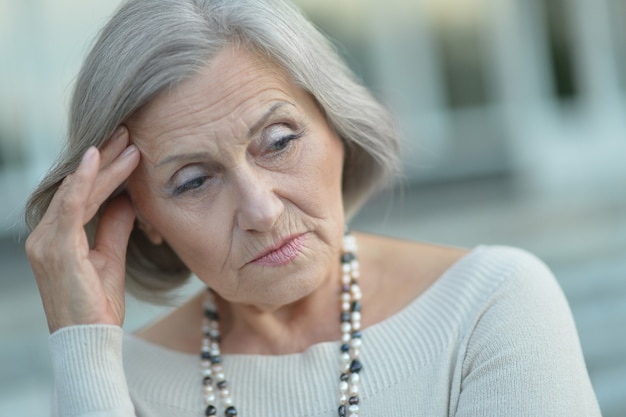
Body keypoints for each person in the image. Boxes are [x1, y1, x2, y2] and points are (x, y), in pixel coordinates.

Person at [24, 0, 601, 416]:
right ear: (138, 216)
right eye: (195, 180)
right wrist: (83, 341)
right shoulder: (113, 380)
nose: (262, 209)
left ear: (336, 127)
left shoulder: (490, 305)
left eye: (278, 142)